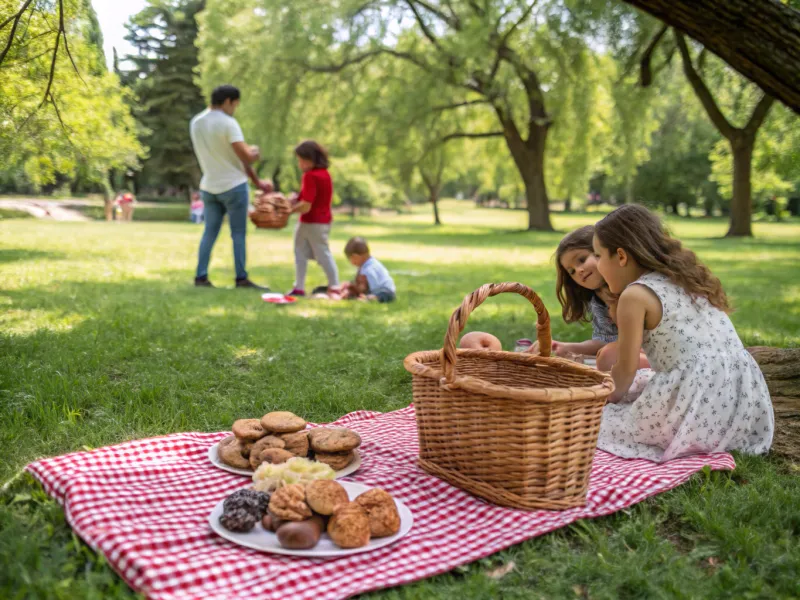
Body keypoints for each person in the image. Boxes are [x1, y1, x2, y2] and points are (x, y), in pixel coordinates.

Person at [592, 204, 773, 462]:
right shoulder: (686, 279)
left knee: (597, 422)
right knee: (642, 387)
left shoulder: (634, 295)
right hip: (741, 402)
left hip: (695, 405)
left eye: (598, 256)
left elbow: (625, 370)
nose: (597, 265)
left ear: (621, 256)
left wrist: (602, 400)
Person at [189, 84, 272, 289]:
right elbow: (245, 157)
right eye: (235, 105)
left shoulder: (196, 122)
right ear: (228, 101)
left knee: (209, 232)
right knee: (238, 233)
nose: (234, 109)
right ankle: (241, 277)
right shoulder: (228, 123)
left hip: (209, 186)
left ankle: (201, 276)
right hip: (233, 186)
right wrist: (255, 152)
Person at [540, 225, 649, 371]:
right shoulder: (598, 301)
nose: (579, 270)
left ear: (602, 252)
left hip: (658, 353)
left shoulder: (636, 289)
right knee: (606, 358)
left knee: (608, 357)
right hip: (628, 357)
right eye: (571, 271)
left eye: (582, 259)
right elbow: (605, 341)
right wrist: (568, 347)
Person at [287, 141, 339, 297]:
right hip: (321, 221)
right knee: (303, 251)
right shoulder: (324, 174)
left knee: (320, 253)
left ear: (312, 159)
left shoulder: (310, 176)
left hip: (312, 221)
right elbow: (308, 197)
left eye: (302, 160)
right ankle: (299, 287)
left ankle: (335, 285)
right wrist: (295, 198)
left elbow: (306, 205)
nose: (300, 164)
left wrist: (289, 211)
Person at [343, 236, 396, 303]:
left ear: (356, 257)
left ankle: (370, 298)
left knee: (376, 296)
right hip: (382, 291)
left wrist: (358, 290)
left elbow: (371, 286)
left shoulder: (369, 269)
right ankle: (368, 298)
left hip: (386, 292)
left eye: (350, 259)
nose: (350, 262)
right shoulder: (367, 264)